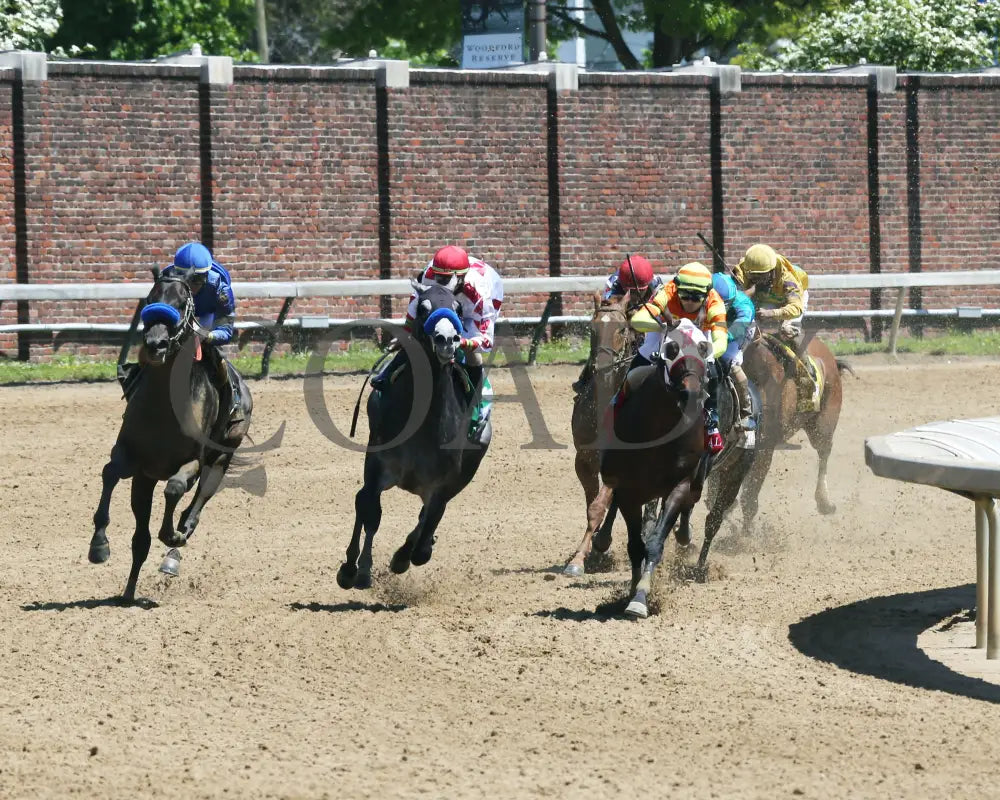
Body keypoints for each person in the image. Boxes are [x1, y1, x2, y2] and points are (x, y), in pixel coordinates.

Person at [371, 245, 503, 445]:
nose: (439, 283)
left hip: (473, 306)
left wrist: (462, 342)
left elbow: (485, 341)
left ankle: (477, 409)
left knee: (473, 356)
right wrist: (406, 334)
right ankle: (386, 377)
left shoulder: (479, 295)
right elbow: (415, 306)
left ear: (460, 277)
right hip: (446, 302)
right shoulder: (429, 275)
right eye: (437, 278)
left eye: (444, 280)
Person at [118, 242, 242, 431]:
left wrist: (206, 336)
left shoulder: (220, 289)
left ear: (206, 276)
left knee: (219, 363)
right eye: (186, 279)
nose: (191, 287)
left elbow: (226, 330)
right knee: (146, 354)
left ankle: (232, 406)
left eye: (197, 280)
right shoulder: (167, 281)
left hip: (205, 317)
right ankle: (134, 396)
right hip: (179, 315)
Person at [628, 261, 728, 455]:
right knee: (640, 360)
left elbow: (721, 342)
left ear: (707, 294)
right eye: (685, 295)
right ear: (677, 287)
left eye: (696, 297)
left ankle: (712, 422)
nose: (690, 301)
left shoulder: (715, 302)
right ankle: (619, 404)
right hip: (667, 330)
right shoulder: (668, 290)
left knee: (713, 369)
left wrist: (702, 356)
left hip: (699, 335)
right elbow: (638, 320)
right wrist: (664, 327)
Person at [732, 243, 818, 411]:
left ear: (772, 271)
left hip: (791, 301)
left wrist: (772, 314)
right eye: (754, 276)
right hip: (765, 296)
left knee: (788, 331)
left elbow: (795, 308)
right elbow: (735, 292)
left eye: (762, 276)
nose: (757, 280)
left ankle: (807, 382)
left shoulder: (788, 279)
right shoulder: (744, 269)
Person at [572, 254, 665, 394]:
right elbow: (609, 313)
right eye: (630, 291)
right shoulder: (614, 283)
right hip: (622, 313)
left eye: (638, 292)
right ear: (622, 285)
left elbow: (661, 311)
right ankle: (586, 377)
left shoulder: (657, 284)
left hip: (646, 314)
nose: (634, 296)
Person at [711, 271, 756, 430]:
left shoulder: (743, 305)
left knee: (729, 361)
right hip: (717, 325)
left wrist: (722, 337)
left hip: (739, 329)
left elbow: (739, 328)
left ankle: (747, 412)